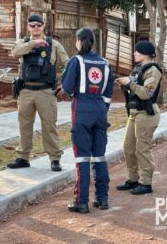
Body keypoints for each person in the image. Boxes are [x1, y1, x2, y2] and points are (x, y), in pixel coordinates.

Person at [62, 28, 114, 213]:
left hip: (82, 109)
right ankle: (102, 198)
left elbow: (67, 87)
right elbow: (108, 91)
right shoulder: (105, 62)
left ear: (79, 41)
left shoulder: (76, 61)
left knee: (82, 157)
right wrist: (102, 109)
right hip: (100, 110)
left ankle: (81, 201)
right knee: (99, 156)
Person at [7, 14, 69, 171]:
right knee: (24, 125)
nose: (36, 28)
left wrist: (64, 83)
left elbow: (68, 63)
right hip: (26, 90)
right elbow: (14, 53)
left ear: (43, 26)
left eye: (38, 25)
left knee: (49, 125)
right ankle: (23, 157)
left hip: (46, 92)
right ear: (28, 27)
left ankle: (55, 158)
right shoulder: (23, 43)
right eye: (32, 25)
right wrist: (34, 43)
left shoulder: (53, 44)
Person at [116, 40, 162, 195]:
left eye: (137, 51)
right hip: (135, 113)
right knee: (128, 147)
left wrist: (130, 83)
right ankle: (133, 179)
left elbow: (146, 93)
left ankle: (145, 183)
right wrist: (125, 84)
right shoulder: (138, 69)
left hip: (146, 114)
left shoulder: (153, 70)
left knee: (142, 149)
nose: (134, 53)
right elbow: (133, 90)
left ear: (145, 54)